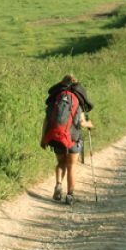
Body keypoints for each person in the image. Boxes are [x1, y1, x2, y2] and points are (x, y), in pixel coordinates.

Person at [39, 74, 94, 205]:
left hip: (57, 137)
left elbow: (46, 121)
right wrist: (90, 124)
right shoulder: (76, 100)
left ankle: (58, 184)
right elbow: (81, 122)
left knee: (60, 163)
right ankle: (70, 195)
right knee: (71, 166)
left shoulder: (55, 99)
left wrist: (43, 138)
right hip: (72, 139)